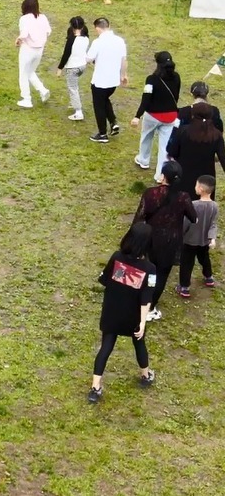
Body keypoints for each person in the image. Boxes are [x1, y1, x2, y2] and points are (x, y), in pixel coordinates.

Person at [88, 223, 155, 402]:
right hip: (132, 317)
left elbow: (103, 279)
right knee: (139, 344)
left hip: (112, 312)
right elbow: (146, 299)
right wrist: (142, 323)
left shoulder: (117, 257)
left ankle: (95, 387)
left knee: (106, 347)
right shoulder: (150, 269)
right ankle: (146, 375)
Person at [132, 161, 197, 320]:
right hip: (171, 241)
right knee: (161, 274)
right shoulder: (183, 197)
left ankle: (138, 300)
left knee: (146, 269)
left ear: (163, 176)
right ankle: (150, 308)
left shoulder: (150, 193)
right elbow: (193, 217)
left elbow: (139, 217)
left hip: (151, 238)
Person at [131, 52, 181, 180]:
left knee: (146, 136)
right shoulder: (177, 77)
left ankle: (143, 159)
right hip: (170, 116)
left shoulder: (151, 79)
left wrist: (138, 116)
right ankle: (161, 175)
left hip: (153, 115)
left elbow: (146, 99)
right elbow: (176, 96)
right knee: (165, 147)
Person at [167, 101, 225, 199]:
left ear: (193, 114)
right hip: (206, 177)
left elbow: (172, 150)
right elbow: (223, 157)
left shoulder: (183, 131)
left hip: (183, 173)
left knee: (182, 203)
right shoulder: (216, 135)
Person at [86, 17, 128, 143]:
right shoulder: (120, 41)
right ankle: (113, 122)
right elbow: (123, 59)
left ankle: (102, 133)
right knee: (105, 100)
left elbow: (88, 58)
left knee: (99, 105)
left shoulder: (98, 42)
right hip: (113, 81)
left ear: (97, 28)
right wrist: (123, 75)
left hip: (100, 81)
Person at [178, 175, 217, 297]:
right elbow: (213, 224)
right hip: (204, 241)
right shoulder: (215, 206)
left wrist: (180, 233)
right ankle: (208, 277)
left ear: (200, 189)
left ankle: (184, 287)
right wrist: (212, 238)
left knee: (186, 263)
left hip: (190, 240)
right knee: (204, 258)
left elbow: (186, 223)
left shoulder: (193, 205)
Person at [15, 0, 51, 108]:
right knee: (30, 72)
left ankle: (26, 99)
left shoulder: (24, 19)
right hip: (39, 50)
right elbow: (48, 31)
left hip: (27, 50)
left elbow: (24, 33)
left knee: (23, 74)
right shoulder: (43, 17)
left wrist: (18, 40)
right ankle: (42, 90)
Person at [55, 16, 90, 121]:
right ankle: (74, 102)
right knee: (75, 87)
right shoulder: (86, 38)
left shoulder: (71, 39)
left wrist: (60, 68)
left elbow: (66, 54)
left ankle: (78, 111)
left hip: (72, 67)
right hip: (82, 66)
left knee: (73, 88)